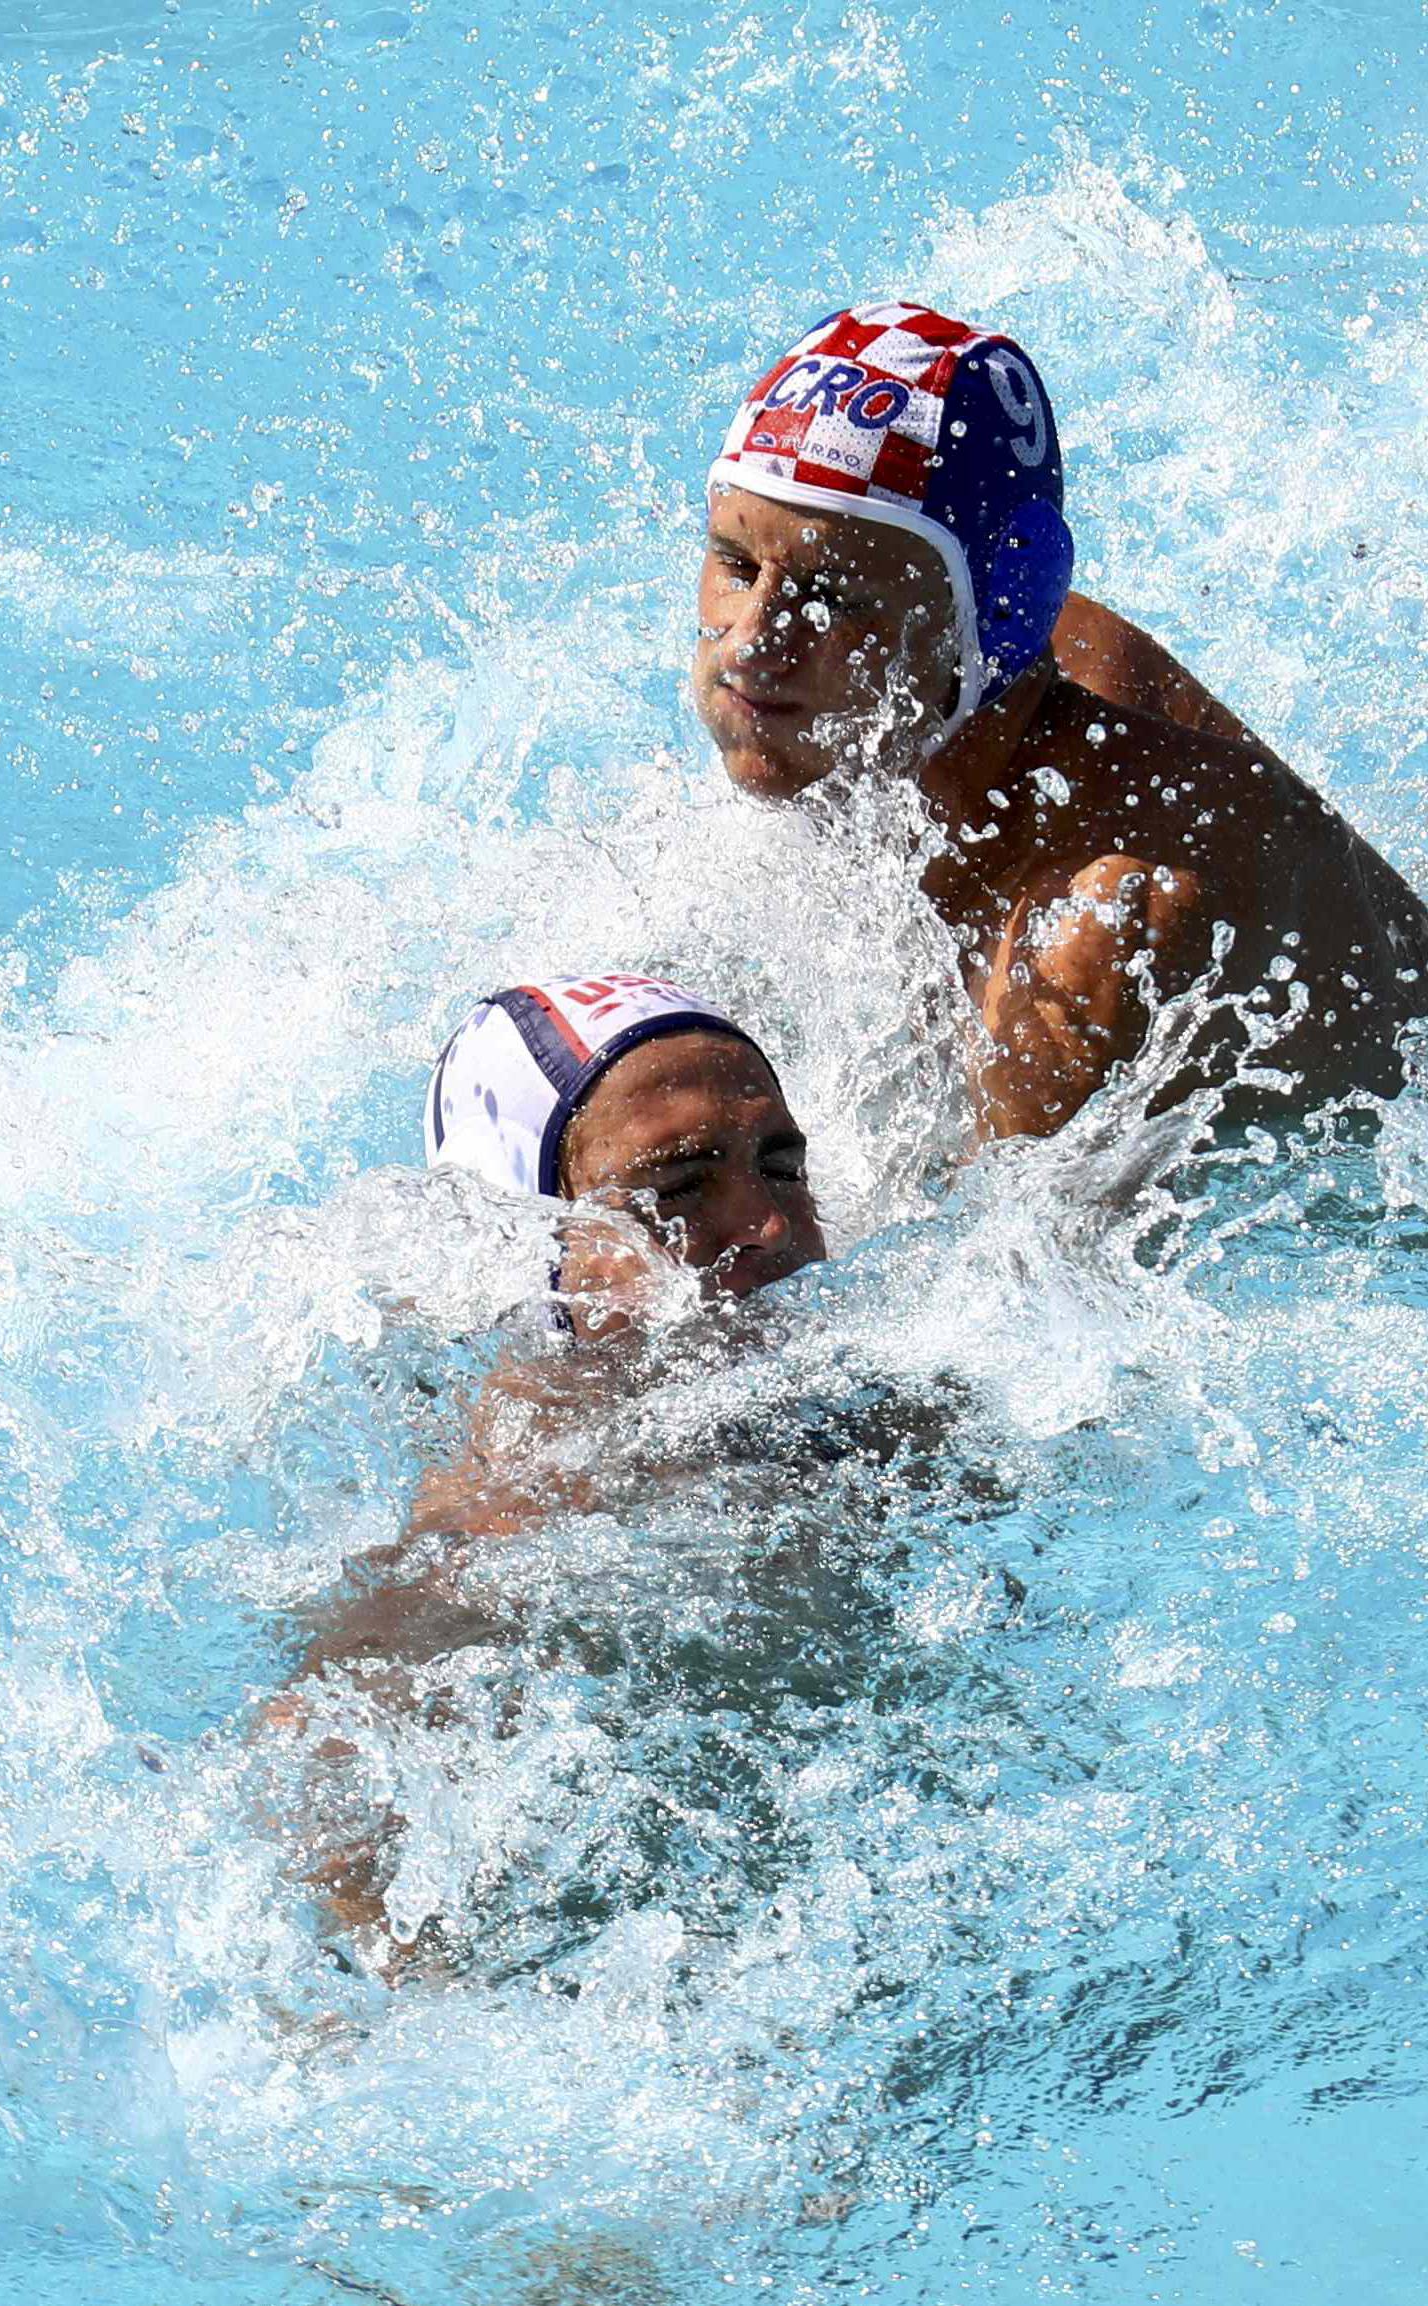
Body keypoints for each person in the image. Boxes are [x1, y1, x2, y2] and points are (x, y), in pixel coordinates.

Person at [693, 299, 1428, 1139]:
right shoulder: (968, 669)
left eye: (834, 599)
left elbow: (947, 1261)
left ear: (995, 616)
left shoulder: (1093, 935)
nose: (753, 644)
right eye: (738, 564)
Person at [267, 973, 832, 1961]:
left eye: (779, 1163)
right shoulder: (500, 1531)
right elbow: (308, 1762)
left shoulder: (862, 1396)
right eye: (676, 1189)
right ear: (531, 1244)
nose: (769, 1225)